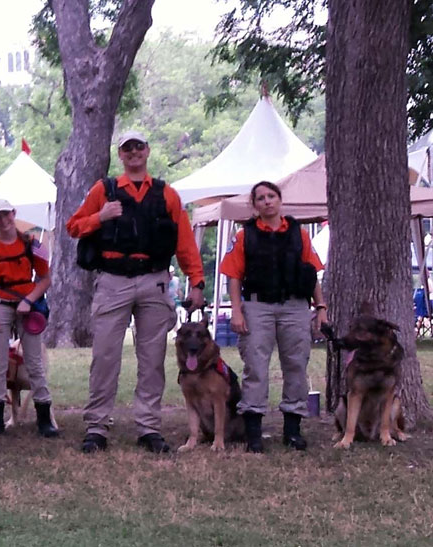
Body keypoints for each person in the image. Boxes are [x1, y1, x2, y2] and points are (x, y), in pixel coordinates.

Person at [65, 130, 205, 454]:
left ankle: (149, 428)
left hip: (154, 280)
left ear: (147, 151)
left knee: (152, 359)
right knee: (104, 357)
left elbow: (184, 244)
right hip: (113, 280)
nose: (133, 153)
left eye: (138, 147)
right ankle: (97, 427)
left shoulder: (167, 195)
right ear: (121, 154)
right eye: (127, 149)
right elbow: (74, 225)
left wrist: (196, 281)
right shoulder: (105, 190)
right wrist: (100, 217)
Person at [221, 181, 326, 453]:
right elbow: (233, 276)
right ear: (254, 205)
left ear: (279, 200)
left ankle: (292, 430)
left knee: (296, 367)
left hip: (294, 306)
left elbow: (312, 272)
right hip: (258, 307)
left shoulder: (299, 234)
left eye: (271, 196)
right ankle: (253, 432)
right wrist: (235, 310)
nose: (267, 201)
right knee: (255, 367)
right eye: (260, 198)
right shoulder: (245, 236)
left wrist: (321, 306)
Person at [0, 199, 57, 439]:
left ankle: (43, 418)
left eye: (6, 215)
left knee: (34, 362)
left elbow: (45, 279)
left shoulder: (34, 243)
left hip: (28, 304)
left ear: (13, 214)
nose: (3, 220)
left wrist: (29, 300)